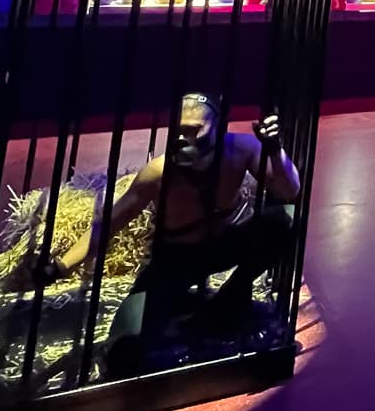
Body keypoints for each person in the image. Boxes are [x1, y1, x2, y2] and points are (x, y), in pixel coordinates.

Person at [42, 93, 300, 377]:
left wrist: (274, 150)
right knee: (126, 349)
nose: (186, 139)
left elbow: (290, 191)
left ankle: (228, 300)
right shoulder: (158, 172)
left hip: (223, 246)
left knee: (285, 219)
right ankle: (178, 307)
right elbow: (108, 225)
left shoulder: (242, 149)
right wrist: (60, 266)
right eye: (180, 130)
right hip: (175, 261)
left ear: (218, 126)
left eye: (195, 130)